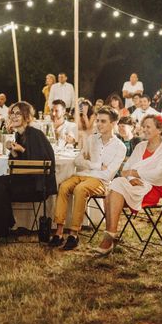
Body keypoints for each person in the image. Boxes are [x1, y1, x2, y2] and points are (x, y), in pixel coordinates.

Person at [95, 114, 162, 255]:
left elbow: (158, 175)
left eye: (148, 127)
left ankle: (109, 237)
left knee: (114, 188)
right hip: (132, 185)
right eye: (143, 126)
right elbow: (125, 171)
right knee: (117, 184)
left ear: (159, 129)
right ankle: (111, 234)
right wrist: (132, 178)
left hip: (153, 189)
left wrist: (134, 173)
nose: (144, 129)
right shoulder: (140, 146)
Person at [49, 107, 126, 250]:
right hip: (83, 175)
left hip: (101, 182)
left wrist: (89, 167)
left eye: (103, 121)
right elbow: (77, 161)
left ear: (114, 123)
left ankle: (74, 234)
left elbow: (108, 174)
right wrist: (96, 165)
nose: (99, 124)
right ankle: (59, 232)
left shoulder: (120, 147)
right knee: (63, 186)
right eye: (97, 121)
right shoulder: (91, 139)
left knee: (80, 189)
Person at [0, 101, 57, 248]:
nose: (14, 116)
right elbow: (17, 166)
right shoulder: (19, 135)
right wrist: (14, 151)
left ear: (26, 116)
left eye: (18, 113)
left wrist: (22, 150)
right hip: (25, 181)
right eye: (12, 113)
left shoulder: (35, 134)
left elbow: (44, 162)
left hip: (37, 187)